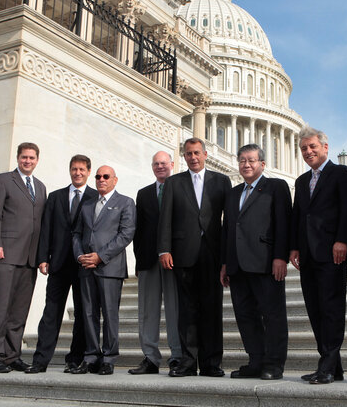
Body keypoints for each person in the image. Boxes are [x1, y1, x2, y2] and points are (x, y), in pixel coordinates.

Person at [158, 137, 232, 377]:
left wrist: (227, 257)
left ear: (205, 155)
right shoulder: (173, 183)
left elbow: (229, 222)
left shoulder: (221, 181)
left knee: (212, 309)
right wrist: (164, 249)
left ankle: (211, 363)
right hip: (183, 254)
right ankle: (188, 363)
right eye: (188, 154)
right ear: (184, 156)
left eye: (197, 153)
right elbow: (165, 219)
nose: (193, 157)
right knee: (187, 311)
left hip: (213, 253)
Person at [290, 127, 347, 385]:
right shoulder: (301, 181)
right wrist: (294, 247)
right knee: (315, 310)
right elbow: (298, 215)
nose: (308, 152)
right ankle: (333, 366)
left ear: (325, 148)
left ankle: (326, 366)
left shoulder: (341, 173)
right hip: (307, 254)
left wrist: (343, 240)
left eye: (312, 147)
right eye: (304, 148)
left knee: (331, 309)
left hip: (332, 252)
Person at [220, 144, 291, 380]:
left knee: (272, 315)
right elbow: (228, 229)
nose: (246, 164)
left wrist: (280, 256)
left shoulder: (276, 187)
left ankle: (274, 363)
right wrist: (225, 263)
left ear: (262, 164)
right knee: (245, 316)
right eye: (242, 160)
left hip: (266, 262)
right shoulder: (233, 193)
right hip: (238, 265)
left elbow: (283, 223)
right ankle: (256, 360)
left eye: (251, 160)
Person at [25, 155, 97, 374]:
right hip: (57, 264)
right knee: (51, 313)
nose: (77, 173)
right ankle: (40, 361)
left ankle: (74, 359)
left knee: (83, 314)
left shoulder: (95, 197)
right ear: (69, 170)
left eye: (82, 169)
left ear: (88, 171)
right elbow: (46, 229)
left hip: (84, 264)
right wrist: (42, 258)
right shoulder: (55, 197)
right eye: (74, 169)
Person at [0, 142, 47, 373]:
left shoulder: (40, 187)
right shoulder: (4, 180)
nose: (27, 161)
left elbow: (40, 225)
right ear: (18, 158)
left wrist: (41, 256)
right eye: (24, 157)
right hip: (6, 254)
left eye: (31, 158)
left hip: (29, 258)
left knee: (19, 310)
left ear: (37, 160)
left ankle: (11, 355)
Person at [71, 165, 136, 375]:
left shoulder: (125, 202)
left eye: (105, 176)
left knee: (109, 314)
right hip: (86, 268)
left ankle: (109, 357)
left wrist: (100, 257)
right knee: (88, 314)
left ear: (114, 180)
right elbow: (77, 234)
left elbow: (125, 235)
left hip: (110, 268)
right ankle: (91, 357)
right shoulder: (87, 204)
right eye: (98, 176)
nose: (101, 179)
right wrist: (80, 255)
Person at [128, 151, 182, 375]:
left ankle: (177, 357)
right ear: (152, 167)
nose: (160, 167)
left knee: (175, 310)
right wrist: (138, 262)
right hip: (148, 260)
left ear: (171, 164)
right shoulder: (144, 193)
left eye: (163, 163)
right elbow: (138, 230)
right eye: (156, 164)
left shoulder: (181, 188)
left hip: (174, 260)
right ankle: (150, 358)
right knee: (147, 312)